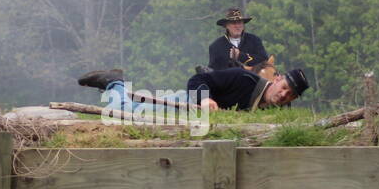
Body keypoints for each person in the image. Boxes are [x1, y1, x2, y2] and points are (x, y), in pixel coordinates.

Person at [78, 65, 308, 112]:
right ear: (277, 79)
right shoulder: (242, 78)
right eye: (285, 87)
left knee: (131, 107)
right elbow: (197, 80)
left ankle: (116, 83)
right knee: (123, 114)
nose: (284, 95)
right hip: (182, 104)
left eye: (291, 95)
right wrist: (206, 100)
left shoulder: (271, 111)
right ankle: (114, 82)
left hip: (185, 112)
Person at [208, 7, 269, 72]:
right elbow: (213, 71)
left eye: (240, 22)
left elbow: (264, 61)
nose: (237, 26)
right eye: (233, 23)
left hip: (252, 80)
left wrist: (241, 56)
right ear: (226, 26)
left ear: (243, 24)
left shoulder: (254, 40)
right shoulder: (215, 46)